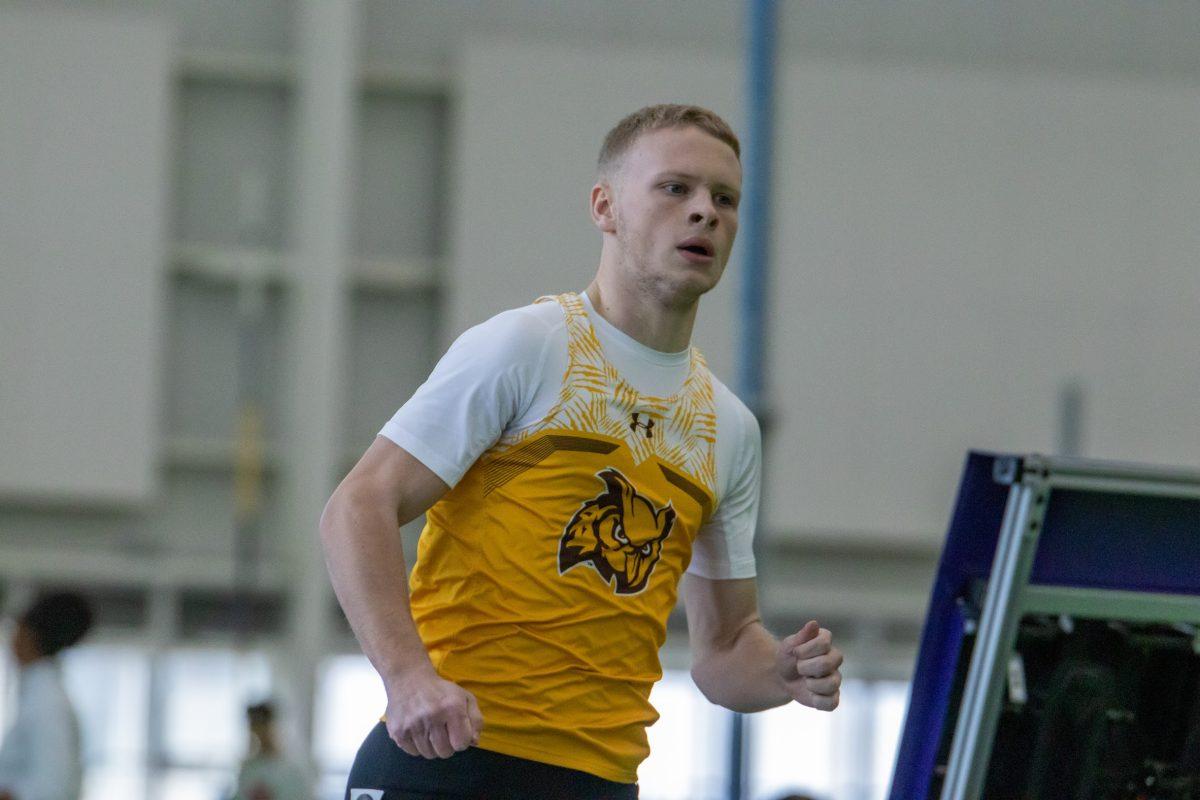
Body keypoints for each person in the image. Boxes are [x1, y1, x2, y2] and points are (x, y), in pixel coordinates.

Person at [321, 104, 844, 800]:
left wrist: (777, 669)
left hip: (599, 781)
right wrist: (407, 676)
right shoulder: (528, 347)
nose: (704, 214)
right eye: (674, 188)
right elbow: (357, 505)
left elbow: (723, 650)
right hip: (450, 763)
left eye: (725, 199)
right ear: (605, 207)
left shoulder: (728, 427)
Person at [0, 591, 93, 800]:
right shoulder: (40, 694)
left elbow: (51, 789)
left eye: (16, 629)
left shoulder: (47, 701)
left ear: (28, 635)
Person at [231, 700, 314, 800]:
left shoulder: (293, 768)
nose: (259, 734)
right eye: (254, 727)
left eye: (262, 726)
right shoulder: (249, 768)